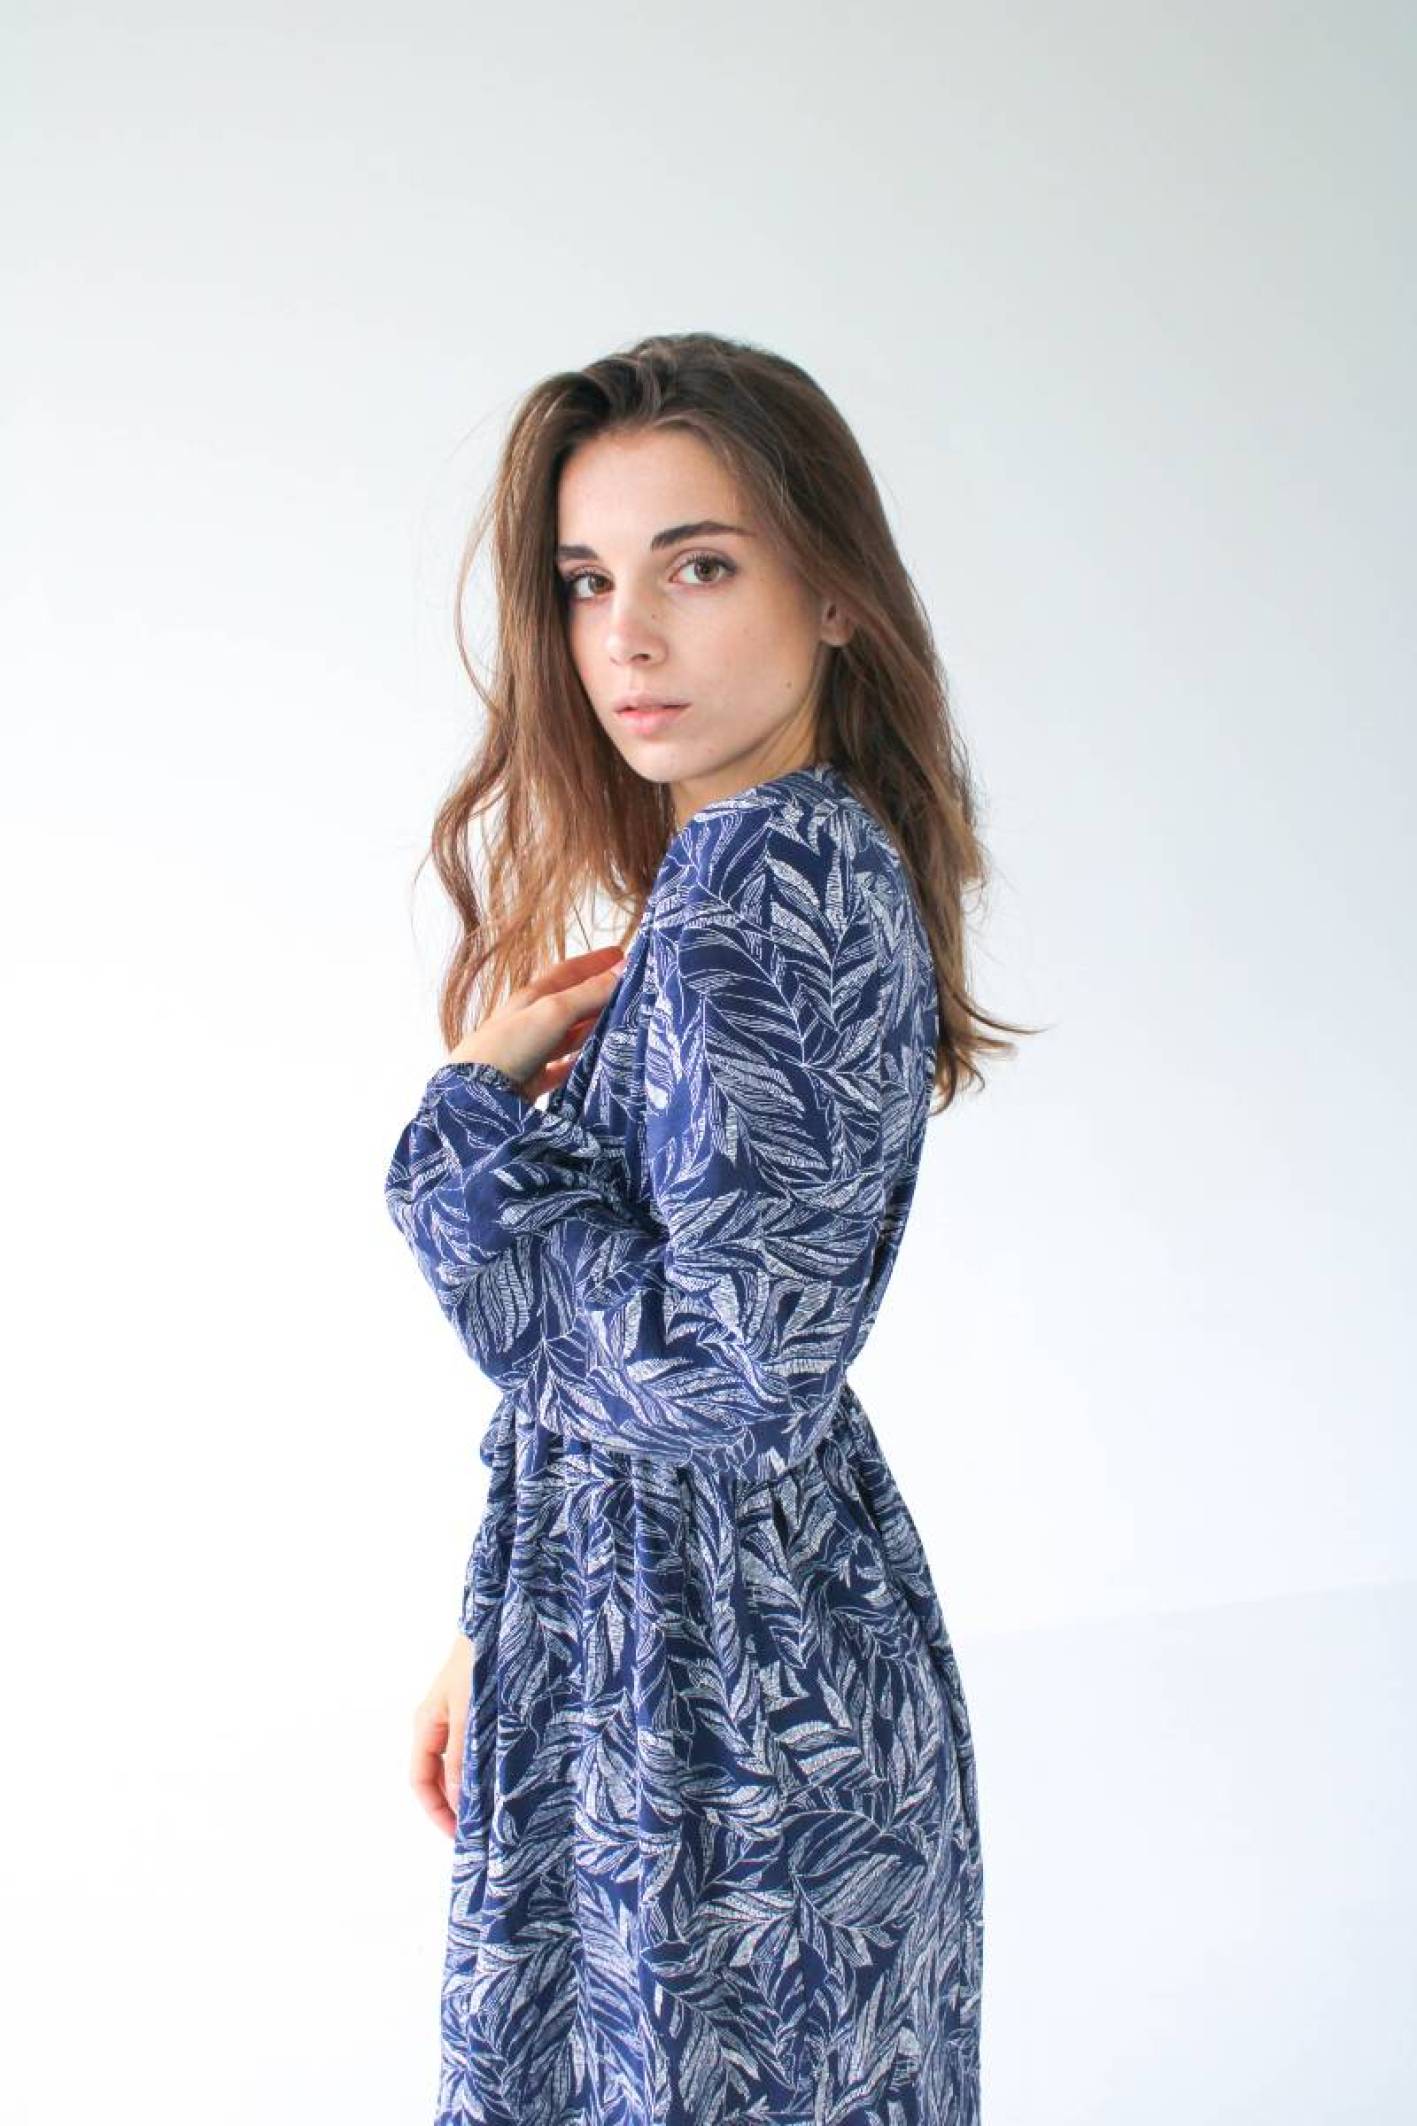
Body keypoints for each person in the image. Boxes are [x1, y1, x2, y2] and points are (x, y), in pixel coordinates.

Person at [383, 331, 1032, 2126]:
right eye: (587, 581)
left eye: (698, 566)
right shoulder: (762, 862)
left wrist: (459, 1139)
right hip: (691, 1655)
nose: (627, 638)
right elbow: (671, 1345)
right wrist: (501, 1615)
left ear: (833, 593)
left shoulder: (766, 876)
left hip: (716, 1722)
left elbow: (719, 1372)